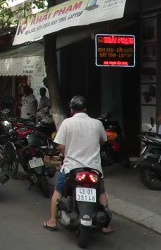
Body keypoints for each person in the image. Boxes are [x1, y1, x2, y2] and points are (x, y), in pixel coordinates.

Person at [43, 96, 113, 234]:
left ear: (71, 109)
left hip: (71, 168)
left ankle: (52, 221)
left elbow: (59, 146)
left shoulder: (67, 123)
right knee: (102, 193)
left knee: (58, 191)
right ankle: (106, 226)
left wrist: (67, 152)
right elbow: (103, 141)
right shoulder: (97, 123)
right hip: (94, 169)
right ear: (86, 109)